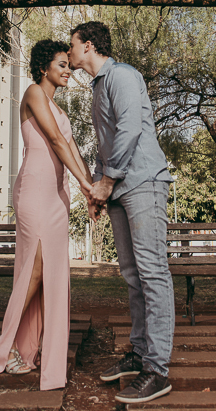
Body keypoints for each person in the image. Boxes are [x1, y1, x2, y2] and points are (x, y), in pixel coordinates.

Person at [68, 21, 175, 405]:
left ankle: (157, 370)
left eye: (72, 44)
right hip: (117, 189)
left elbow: (129, 130)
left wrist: (107, 182)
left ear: (88, 45)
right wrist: (98, 192)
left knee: (152, 272)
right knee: (132, 275)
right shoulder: (98, 87)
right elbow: (106, 145)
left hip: (143, 182)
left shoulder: (123, 75)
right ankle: (140, 352)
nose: (69, 51)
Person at [0, 39, 94, 390]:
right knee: (34, 271)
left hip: (57, 197)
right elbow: (56, 142)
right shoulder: (34, 93)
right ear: (43, 68)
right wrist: (86, 185)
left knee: (53, 276)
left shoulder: (59, 108)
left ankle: (31, 349)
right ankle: (6, 347)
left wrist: (90, 188)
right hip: (34, 191)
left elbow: (73, 149)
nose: (68, 71)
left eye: (68, 65)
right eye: (61, 65)